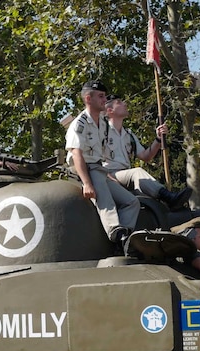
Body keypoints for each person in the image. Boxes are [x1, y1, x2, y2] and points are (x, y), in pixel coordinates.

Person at [65, 80, 140, 250]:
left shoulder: (104, 124)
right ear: (88, 98)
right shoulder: (80, 123)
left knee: (131, 202)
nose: (104, 100)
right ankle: (116, 232)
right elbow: (76, 153)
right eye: (100, 96)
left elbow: (101, 155)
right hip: (83, 169)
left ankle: (124, 239)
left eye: (105, 96)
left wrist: (107, 174)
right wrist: (86, 183)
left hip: (98, 169)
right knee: (106, 200)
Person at [102, 95, 191, 210]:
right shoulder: (102, 132)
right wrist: (108, 177)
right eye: (119, 102)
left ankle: (164, 204)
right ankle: (168, 197)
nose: (125, 104)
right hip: (109, 174)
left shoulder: (129, 135)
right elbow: (94, 159)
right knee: (137, 172)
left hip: (126, 175)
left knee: (141, 186)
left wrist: (158, 139)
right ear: (110, 110)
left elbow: (146, 156)